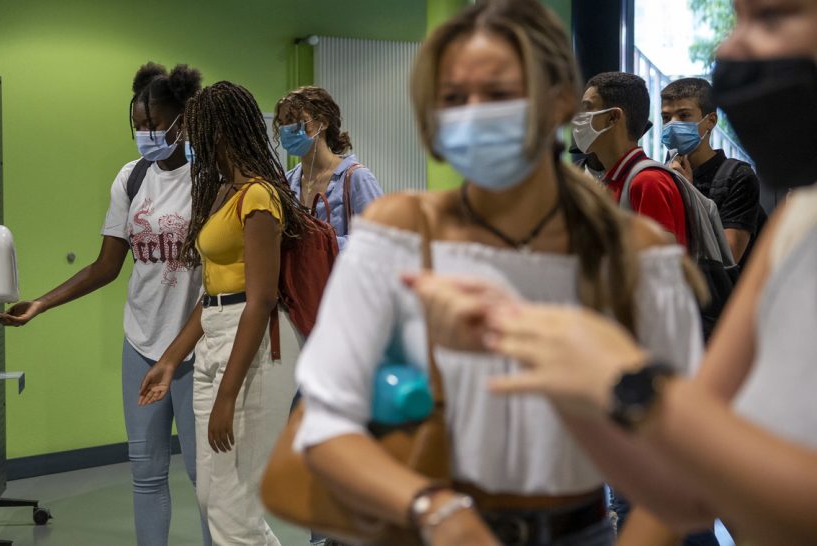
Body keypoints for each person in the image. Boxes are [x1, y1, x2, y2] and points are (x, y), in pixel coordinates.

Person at [291, 2, 704, 545]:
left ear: (556, 102)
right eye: (454, 98)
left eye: (500, 92)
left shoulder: (632, 248)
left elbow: (683, 460)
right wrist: (435, 511)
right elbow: (312, 438)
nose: (475, 115)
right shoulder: (396, 236)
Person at [407, 0, 817, 542]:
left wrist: (624, 381)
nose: (728, 49)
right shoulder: (798, 220)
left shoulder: (648, 183)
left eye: (771, 18)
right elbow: (688, 482)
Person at [0, 62, 211, 546]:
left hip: (199, 346)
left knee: (206, 479)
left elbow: (220, 280)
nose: (145, 135)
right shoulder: (131, 178)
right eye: (138, 126)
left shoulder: (211, 178)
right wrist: (42, 304)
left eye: (154, 125)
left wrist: (181, 350)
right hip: (140, 342)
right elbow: (106, 266)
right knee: (147, 472)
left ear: (183, 121)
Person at [138, 81, 313, 545]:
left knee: (235, 511)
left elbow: (259, 301)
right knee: (214, 502)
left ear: (220, 132)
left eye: (197, 133)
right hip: (218, 333)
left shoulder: (259, 197)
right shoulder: (223, 194)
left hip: (256, 343)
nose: (190, 144)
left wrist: (227, 395)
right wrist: (171, 359)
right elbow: (214, 292)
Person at [573, 72, 690, 247]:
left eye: (587, 108)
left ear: (613, 118)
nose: (578, 118)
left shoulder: (648, 182)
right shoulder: (615, 179)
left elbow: (659, 266)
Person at [661, 77, 766, 267]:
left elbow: (729, 256)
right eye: (666, 118)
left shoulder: (738, 177)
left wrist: (689, 191)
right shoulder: (662, 174)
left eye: (684, 115)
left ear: (710, 121)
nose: (672, 125)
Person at [274, 86, 383, 249]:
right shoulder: (286, 182)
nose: (285, 130)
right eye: (282, 123)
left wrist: (322, 243)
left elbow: (379, 241)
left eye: (293, 120)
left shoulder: (356, 178)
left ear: (323, 122)